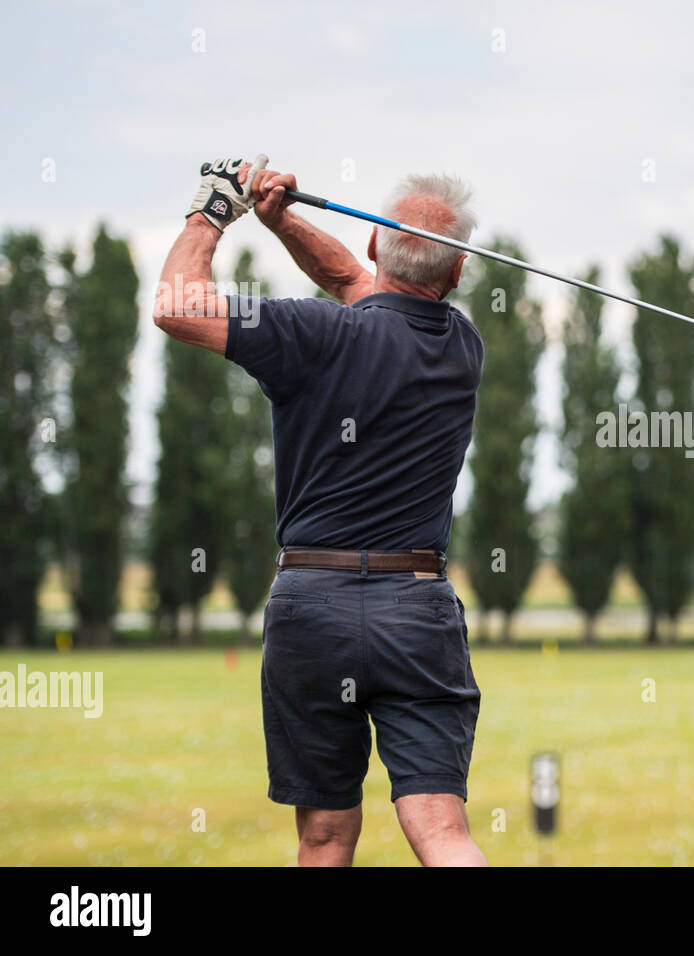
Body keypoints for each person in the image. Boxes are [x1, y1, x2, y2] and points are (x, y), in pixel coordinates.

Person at [153, 155, 487, 866]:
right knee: (443, 831)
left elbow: (175, 305)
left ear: (374, 241)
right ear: (456, 275)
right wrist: (283, 222)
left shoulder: (311, 334)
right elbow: (360, 288)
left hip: (312, 609)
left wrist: (213, 212)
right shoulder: (461, 346)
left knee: (325, 837)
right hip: (416, 611)